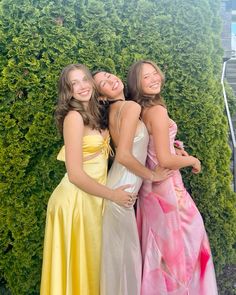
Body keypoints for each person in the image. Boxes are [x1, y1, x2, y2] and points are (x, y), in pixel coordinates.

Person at [40, 64, 133, 295]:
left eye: (84, 80)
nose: (81, 86)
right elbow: (75, 175)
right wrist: (114, 195)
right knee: (82, 267)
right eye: (74, 83)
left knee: (92, 266)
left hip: (94, 200)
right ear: (68, 91)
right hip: (75, 201)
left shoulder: (96, 112)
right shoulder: (73, 118)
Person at [127, 60, 218, 295]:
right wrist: (192, 160)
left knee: (160, 252)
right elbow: (165, 161)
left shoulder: (142, 109)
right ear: (137, 83)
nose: (154, 78)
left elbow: (154, 148)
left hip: (151, 192)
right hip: (168, 191)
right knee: (183, 250)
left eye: (154, 73)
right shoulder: (156, 110)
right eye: (146, 77)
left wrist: (175, 148)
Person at [93, 70, 172, 295]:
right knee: (127, 262)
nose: (111, 80)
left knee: (119, 262)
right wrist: (153, 175)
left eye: (109, 75)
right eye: (104, 84)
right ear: (102, 97)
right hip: (122, 193)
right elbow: (124, 156)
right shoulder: (131, 107)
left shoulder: (114, 112)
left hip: (116, 188)